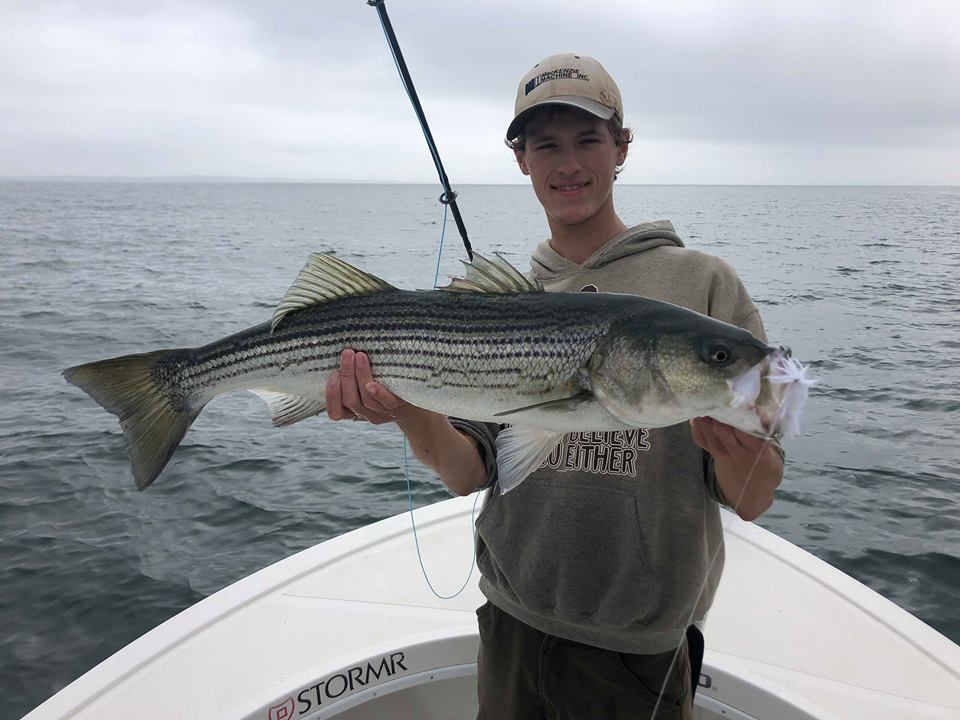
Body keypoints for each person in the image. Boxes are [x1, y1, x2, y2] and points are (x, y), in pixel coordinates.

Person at [325, 53, 784, 719]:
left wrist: (739, 453)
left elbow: (759, 494)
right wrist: (405, 410)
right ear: (521, 160)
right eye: (546, 145)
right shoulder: (506, 299)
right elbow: (467, 472)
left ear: (622, 147)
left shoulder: (707, 286)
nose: (568, 164)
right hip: (510, 620)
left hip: (638, 649)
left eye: (588, 139)